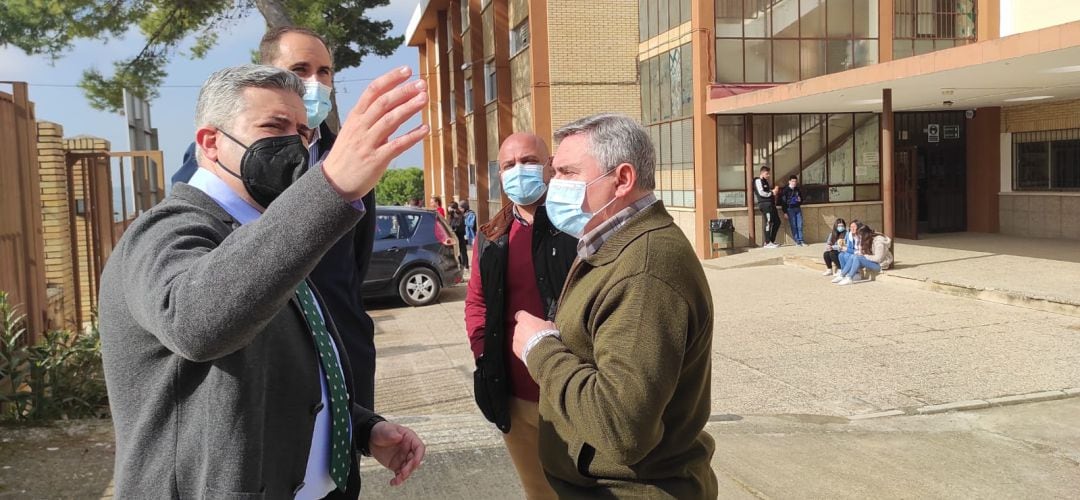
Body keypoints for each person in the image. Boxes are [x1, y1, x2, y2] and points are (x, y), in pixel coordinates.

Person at [97, 64, 429, 498]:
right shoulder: (164, 231)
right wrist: (328, 188)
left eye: (303, 134)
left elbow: (278, 370)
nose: (293, 144)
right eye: (274, 126)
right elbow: (196, 324)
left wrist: (362, 427)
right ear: (211, 142)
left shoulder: (262, 233)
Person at [171, 26, 380, 411]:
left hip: (340, 352)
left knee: (336, 464)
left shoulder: (351, 161)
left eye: (325, 71)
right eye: (300, 69)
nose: (314, 83)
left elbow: (356, 262)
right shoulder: (216, 161)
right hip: (257, 363)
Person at [510, 114, 717, 498]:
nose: (553, 186)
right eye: (554, 172)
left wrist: (541, 350)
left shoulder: (645, 268)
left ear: (622, 179)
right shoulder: (609, 241)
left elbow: (621, 427)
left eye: (568, 173)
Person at [465, 132, 577, 499]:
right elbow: (477, 304)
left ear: (549, 166)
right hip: (512, 397)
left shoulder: (576, 227)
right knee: (538, 492)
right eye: (509, 165)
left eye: (528, 161)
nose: (519, 171)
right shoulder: (491, 236)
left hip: (569, 393)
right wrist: (483, 351)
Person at [754, 166, 781, 248]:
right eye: (767, 173)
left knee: (777, 222)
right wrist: (772, 192)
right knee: (768, 222)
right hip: (765, 204)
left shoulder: (766, 182)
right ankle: (767, 242)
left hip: (771, 204)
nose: (768, 175)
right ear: (762, 173)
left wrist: (773, 192)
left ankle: (771, 241)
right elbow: (761, 192)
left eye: (769, 173)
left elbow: (767, 191)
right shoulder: (758, 181)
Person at [780, 175, 805, 246]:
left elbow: (801, 199)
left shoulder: (797, 189)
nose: (794, 183)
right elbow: (783, 201)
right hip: (790, 209)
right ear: (789, 182)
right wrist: (785, 212)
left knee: (800, 224)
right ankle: (797, 241)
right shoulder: (786, 190)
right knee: (793, 225)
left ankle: (801, 240)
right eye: (793, 181)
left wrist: (800, 201)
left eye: (795, 181)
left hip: (797, 208)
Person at [448, 201, 469, 269]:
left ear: (453, 208)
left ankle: (465, 265)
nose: (448, 208)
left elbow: (458, 225)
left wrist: (453, 229)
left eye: (449, 207)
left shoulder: (458, 215)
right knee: (458, 251)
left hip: (459, 235)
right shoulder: (452, 215)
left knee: (462, 251)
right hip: (455, 235)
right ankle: (461, 264)